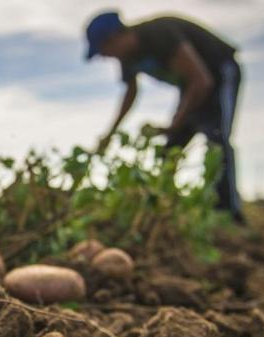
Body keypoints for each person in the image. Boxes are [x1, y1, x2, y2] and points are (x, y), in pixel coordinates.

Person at [85, 11, 245, 223]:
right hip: (190, 86)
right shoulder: (128, 58)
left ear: (114, 38)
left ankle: (228, 214)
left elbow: (202, 80)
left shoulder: (157, 34)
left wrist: (173, 125)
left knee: (216, 141)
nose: (105, 57)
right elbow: (130, 94)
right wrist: (110, 134)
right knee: (169, 151)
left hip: (218, 73)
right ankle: (163, 211)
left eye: (104, 51)